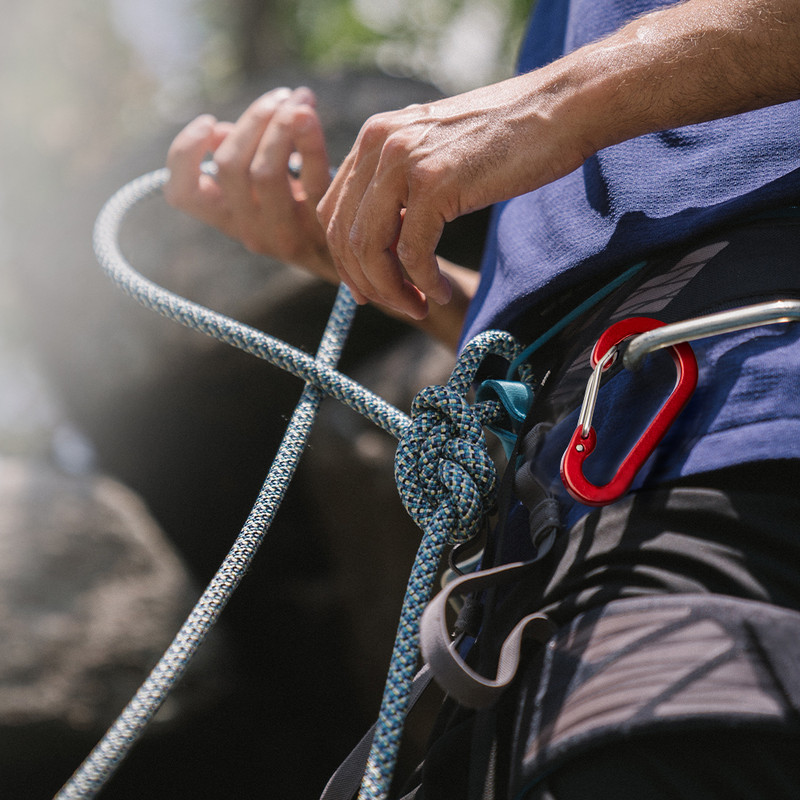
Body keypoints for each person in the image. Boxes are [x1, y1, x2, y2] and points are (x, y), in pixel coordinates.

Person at [166, 0, 800, 796]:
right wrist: (386, 273)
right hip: (562, 520)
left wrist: (554, 103)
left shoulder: (562, 73)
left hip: (731, 435)